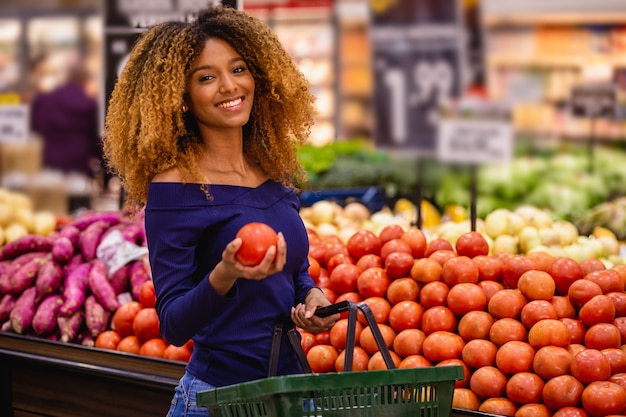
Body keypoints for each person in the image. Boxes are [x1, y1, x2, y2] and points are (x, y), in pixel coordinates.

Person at [101, 6, 338, 417]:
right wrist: (226, 273)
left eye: (239, 68)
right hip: (217, 401)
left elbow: (293, 270)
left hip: (293, 394)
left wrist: (312, 296)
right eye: (206, 77)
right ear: (183, 98)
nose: (230, 86)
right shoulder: (174, 189)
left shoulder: (273, 170)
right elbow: (173, 325)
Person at [30, 57, 102, 178]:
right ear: (85, 79)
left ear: (66, 77)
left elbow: (34, 129)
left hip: (47, 164)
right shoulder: (89, 104)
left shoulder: (44, 100)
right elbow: (93, 140)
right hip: (77, 166)